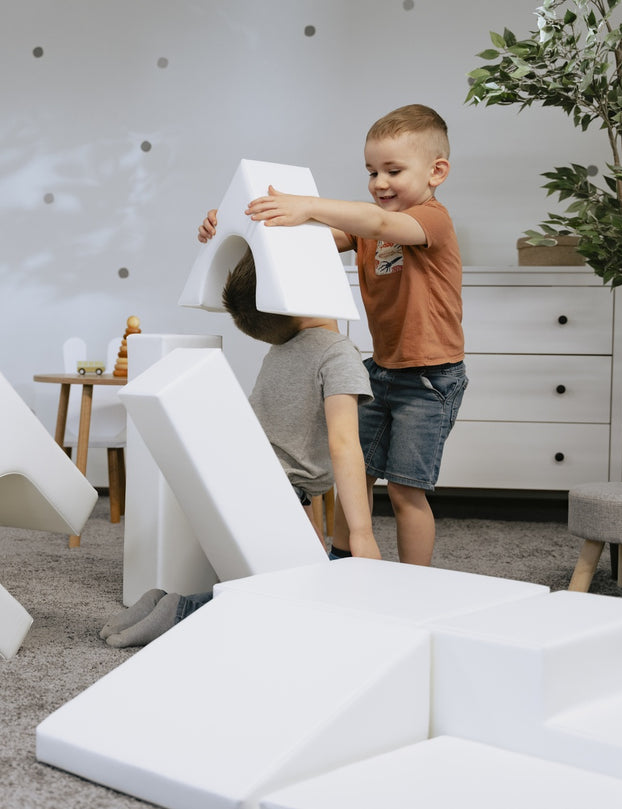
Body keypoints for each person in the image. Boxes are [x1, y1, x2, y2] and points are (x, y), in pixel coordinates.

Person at [197, 103, 466, 567]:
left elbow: (379, 223)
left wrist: (309, 205)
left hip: (430, 379)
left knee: (405, 490)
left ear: (436, 171)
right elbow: (298, 242)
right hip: (381, 372)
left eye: (393, 170)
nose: (379, 182)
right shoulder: (366, 232)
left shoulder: (430, 220)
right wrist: (230, 224)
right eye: (372, 171)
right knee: (354, 474)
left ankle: (417, 584)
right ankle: (344, 559)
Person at [99, 248, 377, 648]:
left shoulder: (281, 349)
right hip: (282, 495)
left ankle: (156, 601)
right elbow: (344, 443)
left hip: (249, 481)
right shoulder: (337, 353)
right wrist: (364, 533)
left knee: (320, 572)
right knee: (292, 598)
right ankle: (180, 611)